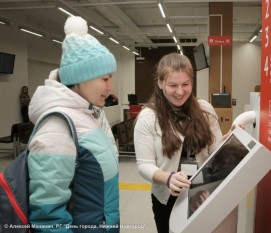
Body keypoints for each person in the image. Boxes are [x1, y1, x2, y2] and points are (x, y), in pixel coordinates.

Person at [28, 16, 119, 232]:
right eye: (105, 79)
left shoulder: (91, 113)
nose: (110, 86)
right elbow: (48, 218)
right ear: (80, 78)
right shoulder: (57, 129)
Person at [133, 53, 224, 233]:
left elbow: (216, 150)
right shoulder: (148, 117)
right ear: (160, 83)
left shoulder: (205, 110)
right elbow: (144, 165)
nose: (180, 92)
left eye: (186, 84)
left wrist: (230, 140)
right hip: (167, 197)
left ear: (192, 82)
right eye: (173, 85)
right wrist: (168, 178)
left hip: (203, 193)